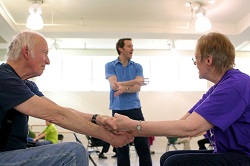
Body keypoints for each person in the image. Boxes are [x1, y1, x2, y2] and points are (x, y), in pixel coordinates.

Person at [112, 32, 250, 166]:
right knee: (168, 157)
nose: (195, 63)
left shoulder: (234, 86)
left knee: (174, 162)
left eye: (196, 58)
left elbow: (190, 128)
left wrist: (132, 125)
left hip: (244, 157)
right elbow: (183, 122)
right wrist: (132, 130)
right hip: (229, 153)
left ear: (208, 60)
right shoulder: (219, 88)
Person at [0, 31, 133, 166]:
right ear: (26, 52)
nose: (48, 61)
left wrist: (98, 118)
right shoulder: (3, 77)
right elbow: (56, 115)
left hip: (12, 153)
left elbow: (59, 110)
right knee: (74, 152)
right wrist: (108, 137)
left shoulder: (26, 84)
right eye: (44, 53)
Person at [105, 38, 152, 166]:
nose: (132, 48)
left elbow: (138, 87)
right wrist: (133, 82)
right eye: (129, 46)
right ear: (121, 48)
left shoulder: (137, 66)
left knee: (143, 146)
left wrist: (124, 87)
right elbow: (114, 86)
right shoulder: (110, 65)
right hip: (118, 110)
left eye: (132, 46)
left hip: (135, 109)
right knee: (122, 148)